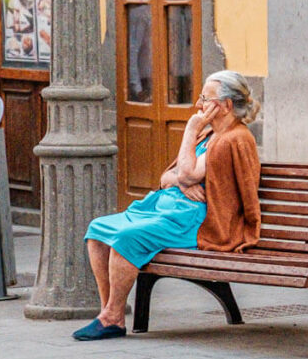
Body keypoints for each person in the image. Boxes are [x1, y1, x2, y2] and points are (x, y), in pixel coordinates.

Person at [72, 71, 261, 340]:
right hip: (169, 210)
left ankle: (112, 316)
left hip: (198, 221)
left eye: (205, 99)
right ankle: (109, 313)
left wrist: (189, 131)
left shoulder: (233, 138)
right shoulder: (211, 134)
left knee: (127, 237)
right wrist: (182, 183)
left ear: (226, 105)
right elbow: (167, 177)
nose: (198, 106)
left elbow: (185, 174)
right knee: (98, 230)